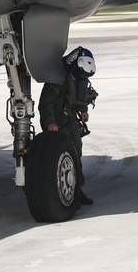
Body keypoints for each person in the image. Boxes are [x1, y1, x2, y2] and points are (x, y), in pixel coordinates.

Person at [39, 46, 96, 205]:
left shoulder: (78, 78)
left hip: (69, 119)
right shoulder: (58, 79)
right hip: (56, 121)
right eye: (80, 73)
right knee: (59, 156)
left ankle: (77, 190)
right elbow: (46, 103)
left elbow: (80, 96)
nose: (81, 76)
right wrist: (50, 122)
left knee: (76, 153)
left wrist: (83, 111)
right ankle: (61, 192)